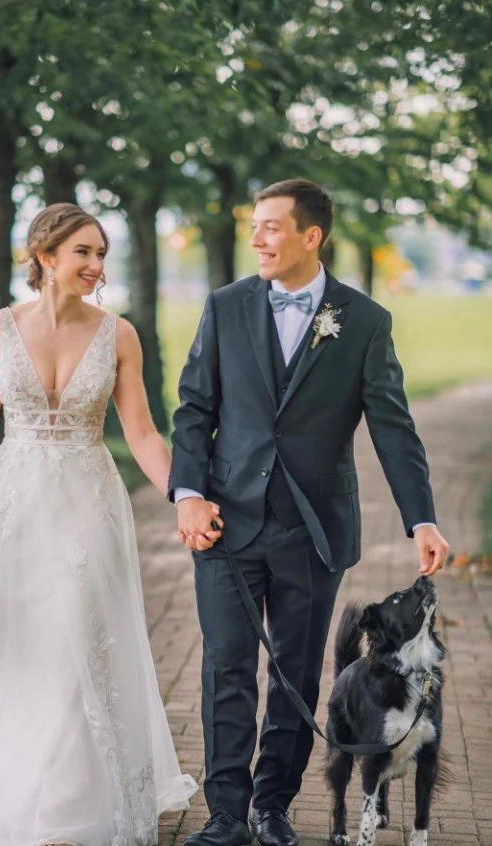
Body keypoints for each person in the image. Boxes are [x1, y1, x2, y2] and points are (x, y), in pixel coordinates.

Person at [0, 202, 214, 846]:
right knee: (19, 643)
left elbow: (143, 432)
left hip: (86, 506)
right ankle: (16, 787)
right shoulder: (0, 327)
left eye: (101, 254)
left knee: (76, 634)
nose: (96, 266)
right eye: (83, 253)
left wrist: (184, 496)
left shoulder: (119, 335)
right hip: (11, 506)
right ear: (45, 256)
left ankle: (69, 800)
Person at [168, 179, 449, 846]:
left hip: (314, 531)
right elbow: (194, 410)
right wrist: (188, 495)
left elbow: (393, 427)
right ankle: (226, 815)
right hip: (226, 524)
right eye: (254, 226)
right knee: (226, 670)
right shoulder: (225, 306)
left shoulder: (365, 321)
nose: (256, 239)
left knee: (293, 673)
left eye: (270, 227)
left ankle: (272, 808)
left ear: (310, 236)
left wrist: (421, 519)